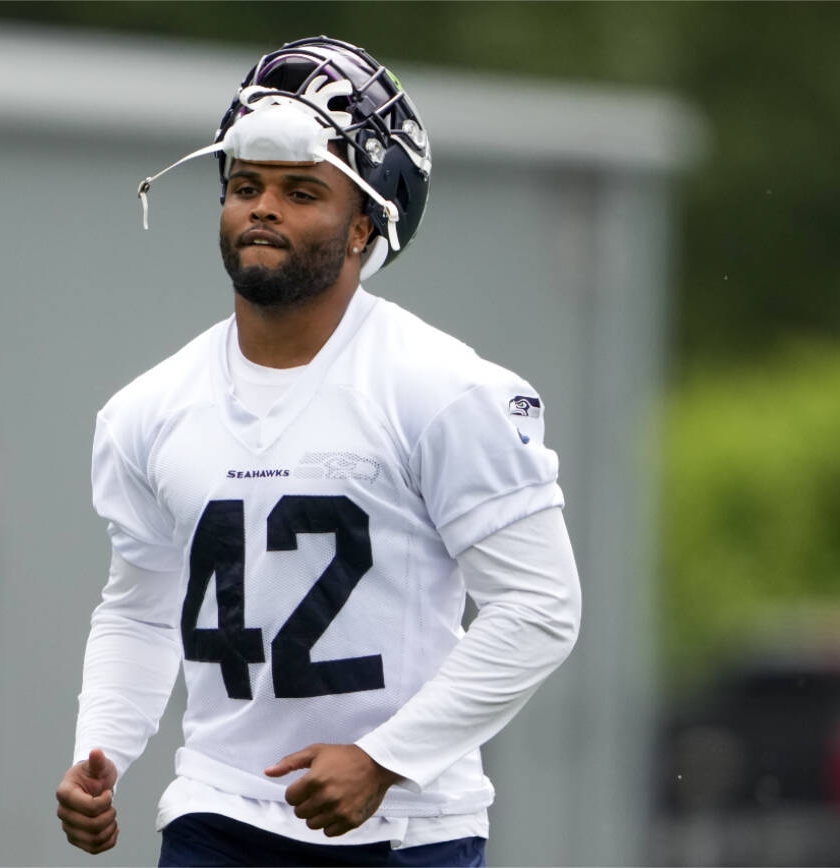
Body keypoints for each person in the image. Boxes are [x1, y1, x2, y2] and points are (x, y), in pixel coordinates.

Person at [55, 37, 581, 868]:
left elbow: (539, 609)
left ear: (364, 225)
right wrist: (103, 751)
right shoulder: (146, 411)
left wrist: (385, 759)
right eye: (245, 186)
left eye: (302, 191)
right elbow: (140, 606)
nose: (263, 208)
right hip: (216, 812)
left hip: (406, 828)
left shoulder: (442, 390)